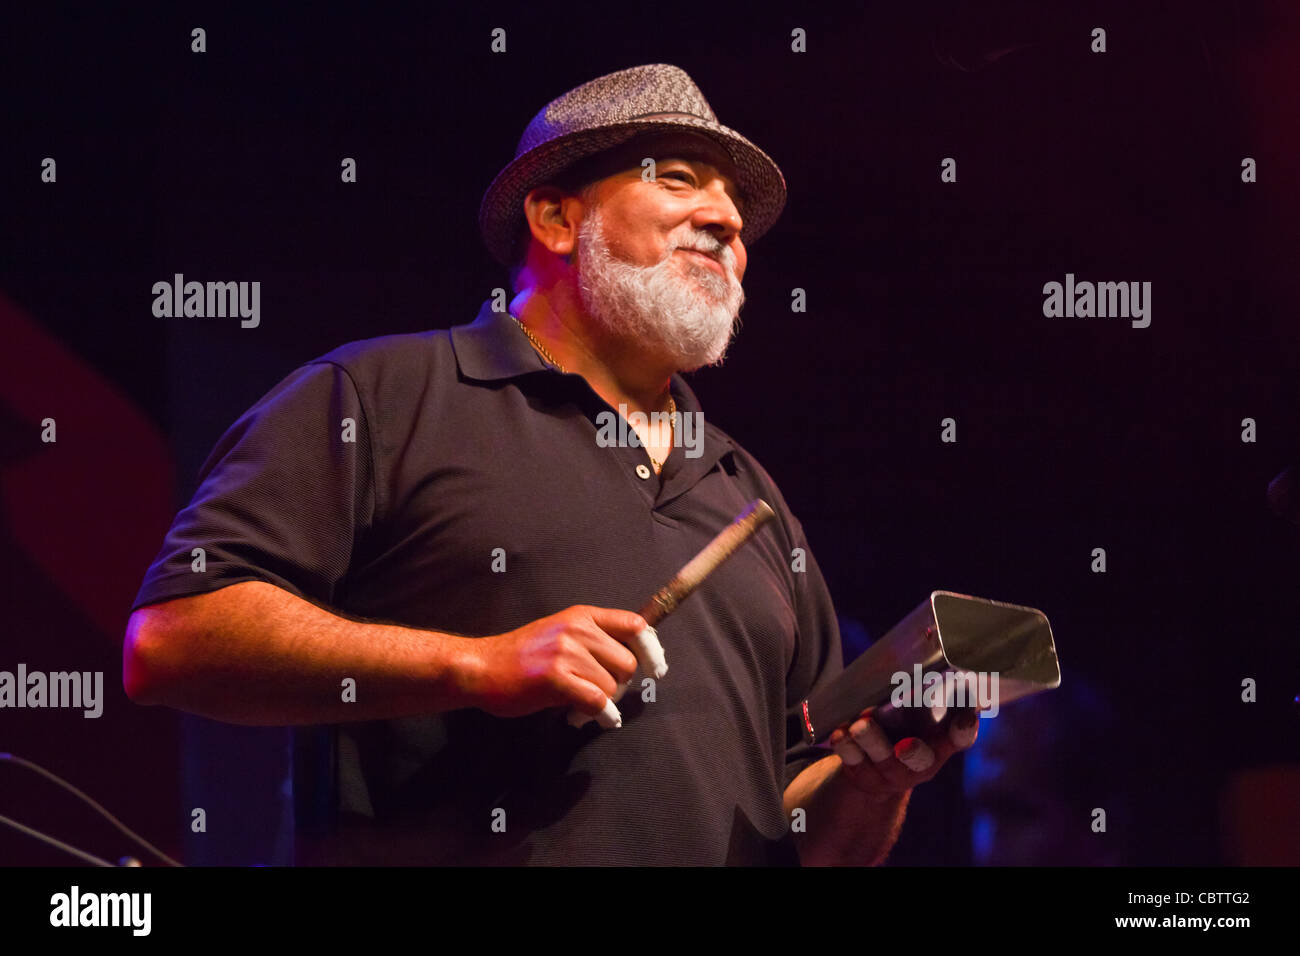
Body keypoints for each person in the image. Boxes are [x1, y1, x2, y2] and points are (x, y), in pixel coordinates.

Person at [123, 63, 976, 866]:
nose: (727, 221)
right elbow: (173, 640)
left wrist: (873, 781)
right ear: (558, 219)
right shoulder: (384, 397)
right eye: (678, 178)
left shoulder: (747, 493)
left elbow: (802, 817)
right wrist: (480, 664)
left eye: (736, 211)